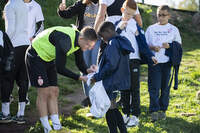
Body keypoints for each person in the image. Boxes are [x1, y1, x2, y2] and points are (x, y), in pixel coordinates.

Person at [26, 26, 97, 133]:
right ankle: (47, 129)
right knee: (44, 92)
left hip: (48, 58)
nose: (88, 48)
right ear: (82, 39)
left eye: (91, 46)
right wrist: (79, 77)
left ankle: (57, 127)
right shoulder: (66, 41)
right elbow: (60, 68)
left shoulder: (79, 40)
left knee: (54, 91)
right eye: (87, 45)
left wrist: (88, 70)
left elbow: (80, 63)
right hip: (35, 55)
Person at [113, 0, 157, 127]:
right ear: (122, 10)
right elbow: (112, 41)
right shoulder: (116, 25)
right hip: (122, 61)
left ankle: (135, 115)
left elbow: (142, 42)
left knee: (134, 88)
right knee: (124, 88)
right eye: (127, 13)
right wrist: (119, 30)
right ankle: (126, 113)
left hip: (134, 60)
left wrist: (150, 55)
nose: (129, 16)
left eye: (132, 14)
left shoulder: (135, 25)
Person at [91, 21, 134, 133]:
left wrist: (98, 76)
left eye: (102, 36)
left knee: (109, 108)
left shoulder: (113, 43)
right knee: (113, 107)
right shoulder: (120, 41)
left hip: (112, 81)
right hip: (117, 81)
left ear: (109, 31)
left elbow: (111, 64)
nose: (102, 39)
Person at [58, 0, 100, 107]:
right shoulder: (82, 4)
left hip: (98, 40)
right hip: (84, 40)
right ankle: (89, 97)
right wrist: (61, 10)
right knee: (84, 68)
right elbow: (67, 14)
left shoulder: (104, 4)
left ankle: (97, 97)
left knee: (95, 67)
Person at [145, 5, 182, 122]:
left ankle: (163, 110)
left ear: (169, 16)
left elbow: (179, 47)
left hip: (167, 63)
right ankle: (154, 111)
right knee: (154, 87)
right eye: (159, 15)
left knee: (165, 87)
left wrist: (170, 46)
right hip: (154, 62)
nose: (160, 17)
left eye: (163, 15)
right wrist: (152, 47)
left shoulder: (174, 29)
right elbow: (144, 46)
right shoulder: (151, 29)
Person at [0, 0, 31, 124]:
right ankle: (20, 114)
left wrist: (4, 42)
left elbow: (11, 29)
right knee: (23, 79)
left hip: (13, 45)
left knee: (7, 78)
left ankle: (6, 113)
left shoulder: (10, 5)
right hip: (26, 44)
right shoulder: (24, 4)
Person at [0, 30, 14, 123]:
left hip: (5, 62)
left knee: (4, 84)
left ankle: (5, 114)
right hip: (7, 60)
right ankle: (6, 113)